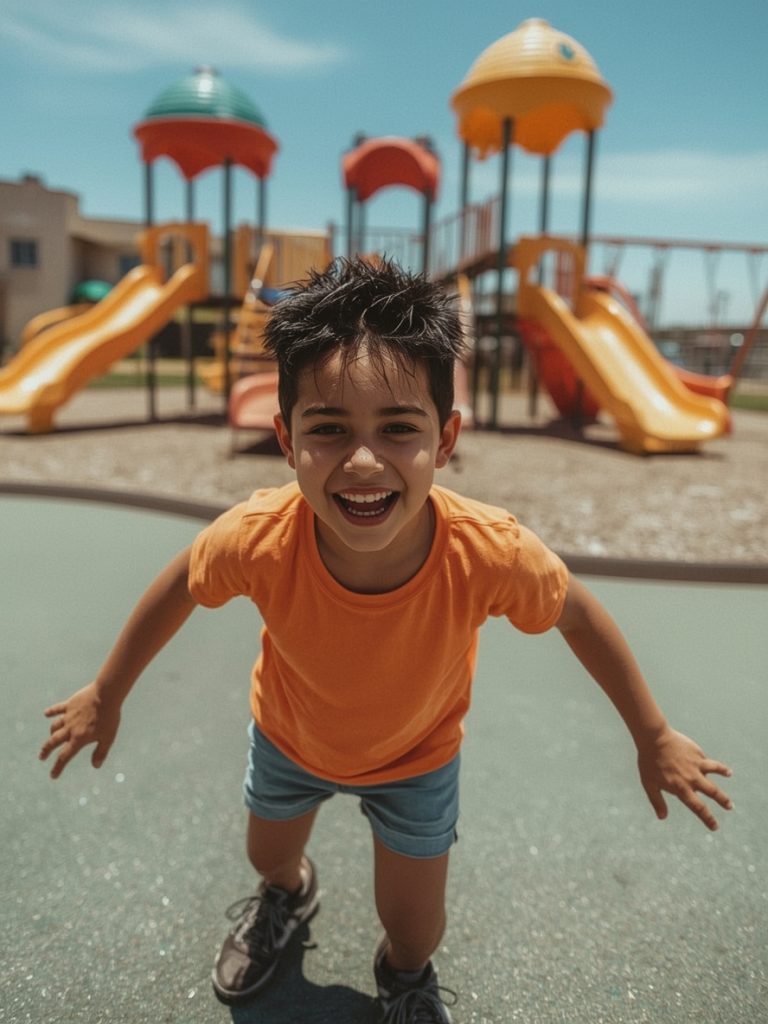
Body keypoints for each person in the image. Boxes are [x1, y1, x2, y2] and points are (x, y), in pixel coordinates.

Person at [39, 258, 733, 1024]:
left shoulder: (489, 551)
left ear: (445, 438)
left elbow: (576, 613)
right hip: (290, 737)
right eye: (328, 429)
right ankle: (289, 896)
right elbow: (183, 582)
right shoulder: (260, 537)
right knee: (267, 857)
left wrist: (652, 732)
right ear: (286, 437)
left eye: (398, 429)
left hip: (416, 757)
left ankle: (403, 975)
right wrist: (108, 692)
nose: (363, 460)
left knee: (414, 930)